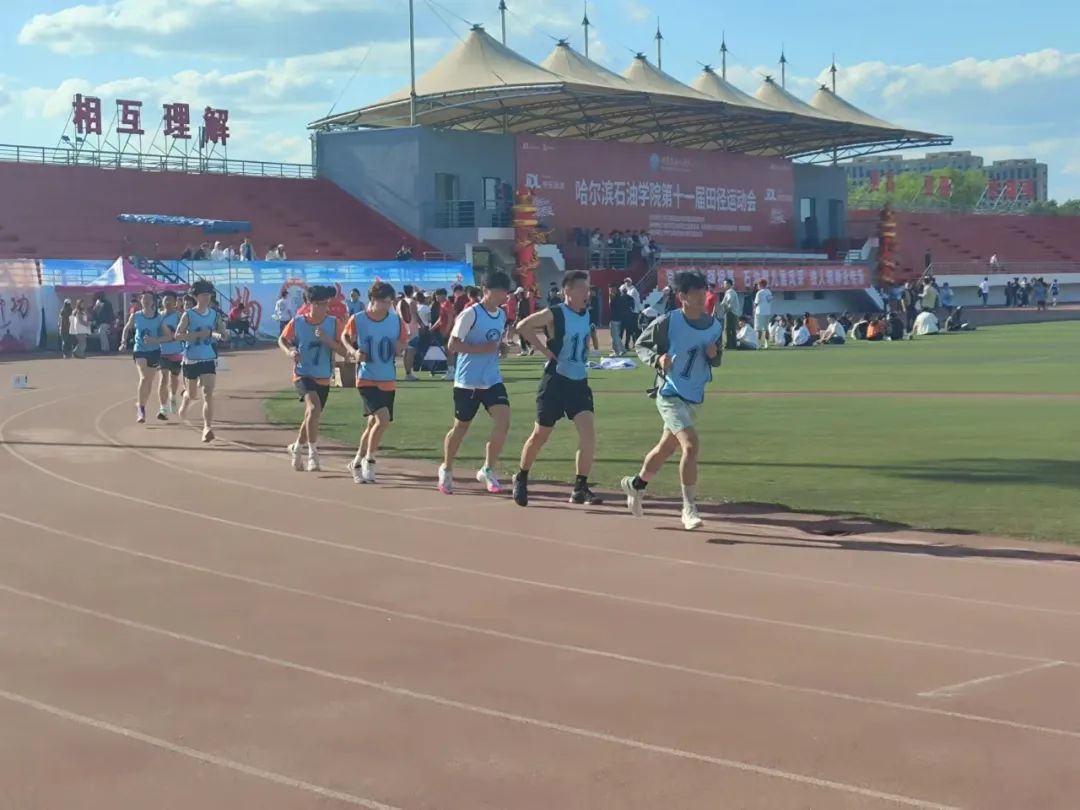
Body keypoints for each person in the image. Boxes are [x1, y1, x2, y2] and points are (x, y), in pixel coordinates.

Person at [619, 271, 722, 531]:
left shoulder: (714, 326)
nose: (702, 297)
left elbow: (717, 359)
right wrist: (657, 359)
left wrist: (714, 355)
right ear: (682, 296)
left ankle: (636, 484)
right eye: (696, 293)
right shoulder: (668, 321)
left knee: (666, 448)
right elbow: (641, 345)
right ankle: (689, 508)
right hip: (669, 392)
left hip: (694, 396)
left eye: (704, 292)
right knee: (691, 445)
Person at [512, 270, 602, 507]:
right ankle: (521, 477)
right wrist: (544, 350)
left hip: (579, 382)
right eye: (582, 289)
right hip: (556, 381)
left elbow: (584, 339)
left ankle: (580, 487)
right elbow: (523, 326)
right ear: (567, 291)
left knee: (588, 433)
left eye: (588, 289)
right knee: (541, 435)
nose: (586, 293)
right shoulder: (556, 313)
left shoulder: (586, 314)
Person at [438, 271, 513, 495]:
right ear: (486, 291)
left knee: (503, 421)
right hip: (467, 381)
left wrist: (501, 347)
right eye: (500, 291)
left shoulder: (501, 315)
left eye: (505, 291)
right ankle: (446, 468)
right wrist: (481, 349)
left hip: (491, 379)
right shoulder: (470, 314)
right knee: (461, 427)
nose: (504, 296)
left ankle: (488, 469)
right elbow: (453, 345)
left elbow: (494, 341)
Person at [279, 286, 351, 472]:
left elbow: (345, 352)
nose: (323, 308)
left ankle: (297, 447)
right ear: (309, 304)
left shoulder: (334, 323)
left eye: (326, 304)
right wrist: (290, 351)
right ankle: (313, 454)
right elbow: (283, 340)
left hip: (324, 376)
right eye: (319, 304)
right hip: (303, 373)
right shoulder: (298, 322)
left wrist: (328, 340)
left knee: (312, 415)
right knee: (313, 408)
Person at [344, 281, 408, 483]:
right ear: (373, 299)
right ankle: (369, 461)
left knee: (373, 423)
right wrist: (353, 351)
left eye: (390, 302)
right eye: (384, 301)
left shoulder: (396, 321)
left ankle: (356, 461)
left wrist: (400, 347)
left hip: (387, 377)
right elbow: (345, 336)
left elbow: (402, 342)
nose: (387, 305)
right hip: (366, 378)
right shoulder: (359, 319)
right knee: (383, 419)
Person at [174, 280, 226, 442]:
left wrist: (217, 335)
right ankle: (185, 400)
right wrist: (198, 335)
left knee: (208, 394)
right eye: (203, 295)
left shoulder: (215, 315)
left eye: (208, 295)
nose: (206, 298)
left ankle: (207, 427)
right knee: (192, 394)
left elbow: (223, 334)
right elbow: (178, 335)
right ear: (196, 297)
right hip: (191, 359)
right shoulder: (188, 315)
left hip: (208, 357)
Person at [120, 291, 164, 423]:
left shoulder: (158, 317)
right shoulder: (136, 315)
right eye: (144, 299)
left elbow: (166, 334)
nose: (146, 301)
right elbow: (126, 328)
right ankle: (141, 410)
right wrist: (123, 342)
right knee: (144, 378)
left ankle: (141, 403)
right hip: (139, 350)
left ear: (153, 301)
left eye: (149, 299)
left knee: (149, 382)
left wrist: (157, 340)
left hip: (154, 351)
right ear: (140, 300)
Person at [156, 292, 184, 420]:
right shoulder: (158, 317)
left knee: (174, 378)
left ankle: (173, 397)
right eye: (165, 300)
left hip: (176, 352)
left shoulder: (179, 316)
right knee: (163, 378)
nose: (167, 302)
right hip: (161, 352)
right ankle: (163, 408)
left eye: (170, 300)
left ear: (175, 302)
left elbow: (183, 331)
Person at [397, 284, 420, 382]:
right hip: (412, 329)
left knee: (406, 352)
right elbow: (415, 315)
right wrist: (422, 325)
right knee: (411, 352)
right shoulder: (412, 302)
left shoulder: (399, 302)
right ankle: (408, 373)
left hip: (403, 329)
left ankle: (408, 372)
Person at [753, 279, 772, 348]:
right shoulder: (769, 291)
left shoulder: (759, 293)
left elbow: (756, 303)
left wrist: (754, 310)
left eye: (758, 284)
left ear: (761, 285)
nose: (757, 286)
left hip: (760, 312)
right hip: (767, 312)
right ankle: (766, 344)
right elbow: (770, 301)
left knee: (759, 329)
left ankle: (758, 344)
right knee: (766, 328)